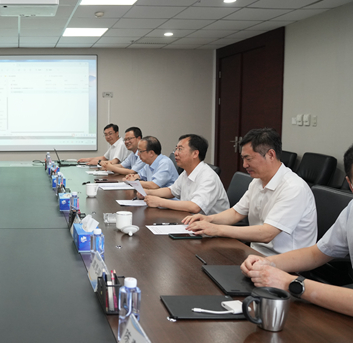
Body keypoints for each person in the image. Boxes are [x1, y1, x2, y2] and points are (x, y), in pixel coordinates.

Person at [240, 143, 353, 317]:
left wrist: (291, 283)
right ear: (350, 184)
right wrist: (268, 263)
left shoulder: (294, 187)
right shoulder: (351, 209)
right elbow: (317, 253)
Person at [184, 128, 317, 256]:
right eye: (243, 159)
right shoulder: (257, 181)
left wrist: (217, 229)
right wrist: (209, 219)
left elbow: (267, 234)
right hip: (256, 253)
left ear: (270, 155)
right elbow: (236, 213)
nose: (244, 165)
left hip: (286, 261)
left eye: (249, 159)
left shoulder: (293, 188)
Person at [142, 134, 229, 215]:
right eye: (176, 149)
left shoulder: (208, 176)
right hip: (188, 219)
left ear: (195, 154)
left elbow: (195, 206)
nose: (175, 153)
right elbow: (171, 191)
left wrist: (159, 202)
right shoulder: (186, 172)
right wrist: (148, 192)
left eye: (180, 149)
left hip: (210, 224)